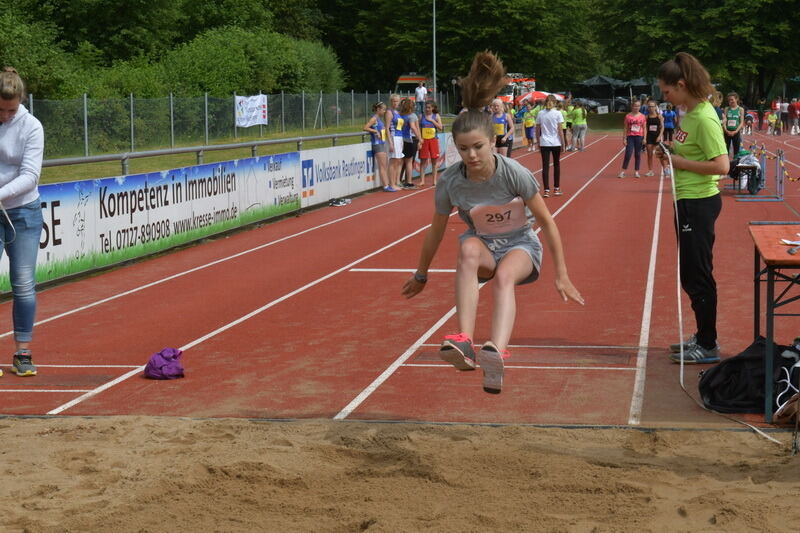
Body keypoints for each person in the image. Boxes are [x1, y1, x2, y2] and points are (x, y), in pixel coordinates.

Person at [401, 51, 583, 394]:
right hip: (485, 245)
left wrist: (562, 275)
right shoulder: (451, 182)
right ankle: (465, 340)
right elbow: (436, 232)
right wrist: (421, 274)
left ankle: (495, 351)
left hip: (521, 246)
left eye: (478, 147)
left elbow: (548, 222)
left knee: (503, 278)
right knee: (467, 249)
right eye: (463, 148)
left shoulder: (514, 173)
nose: (471, 155)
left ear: (493, 142)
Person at [655, 52, 729, 364]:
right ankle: (701, 335)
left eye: (667, 91)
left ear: (682, 85)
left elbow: (722, 166)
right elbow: (691, 152)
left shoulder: (705, 118)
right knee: (690, 273)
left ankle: (709, 342)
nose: (665, 97)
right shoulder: (690, 114)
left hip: (699, 203)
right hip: (685, 200)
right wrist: (671, 150)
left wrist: (678, 160)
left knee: (698, 274)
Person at [0, 67, 44, 378]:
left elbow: (30, 176)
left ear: (21, 101)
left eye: (10, 109)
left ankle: (23, 352)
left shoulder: (32, 126)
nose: (4, 115)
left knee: (24, 284)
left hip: (23, 212)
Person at [536, 94, 565, 197]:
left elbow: (537, 129)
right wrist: (563, 143)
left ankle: (546, 190)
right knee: (556, 165)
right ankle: (556, 188)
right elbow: (560, 130)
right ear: (555, 103)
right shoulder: (558, 113)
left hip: (544, 142)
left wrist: (538, 142)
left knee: (545, 166)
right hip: (556, 142)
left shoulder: (540, 113)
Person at [363, 102, 395, 192]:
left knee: (385, 165)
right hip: (377, 144)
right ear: (378, 109)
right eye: (383, 109)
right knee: (382, 166)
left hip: (382, 143)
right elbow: (365, 127)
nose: (384, 111)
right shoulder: (374, 118)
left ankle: (387, 184)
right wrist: (374, 131)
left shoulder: (379, 119)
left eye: (385, 109)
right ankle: (385, 186)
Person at [418, 101, 443, 186]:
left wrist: (432, 120)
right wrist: (419, 140)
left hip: (433, 140)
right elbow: (418, 129)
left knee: (434, 161)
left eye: (429, 107)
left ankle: (434, 180)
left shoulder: (436, 116)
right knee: (423, 161)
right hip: (424, 140)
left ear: (432, 108)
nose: (427, 109)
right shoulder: (421, 116)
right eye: (426, 107)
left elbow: (440, 127)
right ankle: (422, 180)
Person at [618, 99, 645, 178]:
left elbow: (644, 128)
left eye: (638, 106)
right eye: (635, 106)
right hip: (630, 137)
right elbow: (625, 128)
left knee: (637, 154)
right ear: (632, 106)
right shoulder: (628, 116)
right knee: (628, 154)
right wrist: (624, 138)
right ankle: (623, 171)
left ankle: (636, 171)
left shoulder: (642, 116)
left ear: (640, 107)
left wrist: (644, 138)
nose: (636, 107)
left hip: (639, 137)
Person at [399, 98, 422, 189]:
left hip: (401, 139)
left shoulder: (401, 115)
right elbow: (414, 127)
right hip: (410, 139)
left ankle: (398, 180)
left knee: (401, 161)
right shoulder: (412, 116)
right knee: (409, 162)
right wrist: (419, 138)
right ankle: (408, 182)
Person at [384, 94, 404, 191]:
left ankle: (395, 182)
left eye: (396, 101)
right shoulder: (389, 112)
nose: (395, 103)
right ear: (390, 102)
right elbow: (387, 128)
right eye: (393, 101)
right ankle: (391, 184)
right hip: (393, 137)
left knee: (397, 161)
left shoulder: (398, 112)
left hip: (399, 138)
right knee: (393, 161)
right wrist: (390, 142)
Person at [644, 100, 664, 176]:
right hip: (649, 137)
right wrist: (645, 138)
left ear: (655, 107)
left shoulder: (659, 116)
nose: (651, 108)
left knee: (660, 154)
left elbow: (662, 127)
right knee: (649, 154)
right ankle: (650, 171)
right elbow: (645, 128)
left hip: (657, 136)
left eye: (652, 106)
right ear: (648, 108)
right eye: (649, 106)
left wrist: (659, 136)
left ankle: (665, 168)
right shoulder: (646, 117)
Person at [722, 92, 745, 158]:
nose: (730, 101)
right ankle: (726, 166)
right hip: (727, 132)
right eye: (729, 100)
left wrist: (736, 131)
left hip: (736, 132)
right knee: (725, 150)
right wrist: (726, 130)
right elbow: (724, 120)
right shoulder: (726, 109)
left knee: (736, 151)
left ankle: (735, 165)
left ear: (736, 99)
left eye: (732, 99)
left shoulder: (740, 109)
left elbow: (741, 122)